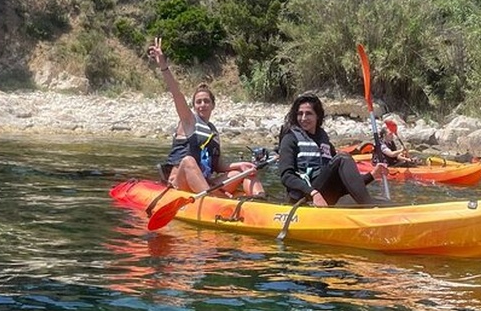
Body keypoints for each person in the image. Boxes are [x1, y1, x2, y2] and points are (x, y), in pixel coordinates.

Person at [147, 37, 264, 197]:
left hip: (204, 183)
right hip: (181, 184)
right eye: (198, 102)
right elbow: (176, 94)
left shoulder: (213, 131)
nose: (202, 105)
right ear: (194, 106)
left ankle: (259, 201)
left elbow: (219, 166)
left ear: (213, 105)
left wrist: (242, 165)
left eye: (206, 101)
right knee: (188, 161)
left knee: (247, 172)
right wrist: (163, 66)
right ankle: (215, 201)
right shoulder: (188, 121)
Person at [277, 93, 387, 207]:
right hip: (304, 197)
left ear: (317, 116)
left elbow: (343, 184)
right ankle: (370, 208)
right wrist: (313, 193)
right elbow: (286, 176)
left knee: (383, 202)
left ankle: (371, 207)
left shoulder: (324, 142)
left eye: (308, 113)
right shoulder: (290, 139)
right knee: (342, 158)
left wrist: (372, 175)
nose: (303, 118)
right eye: (300, 114)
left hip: (325, 195)